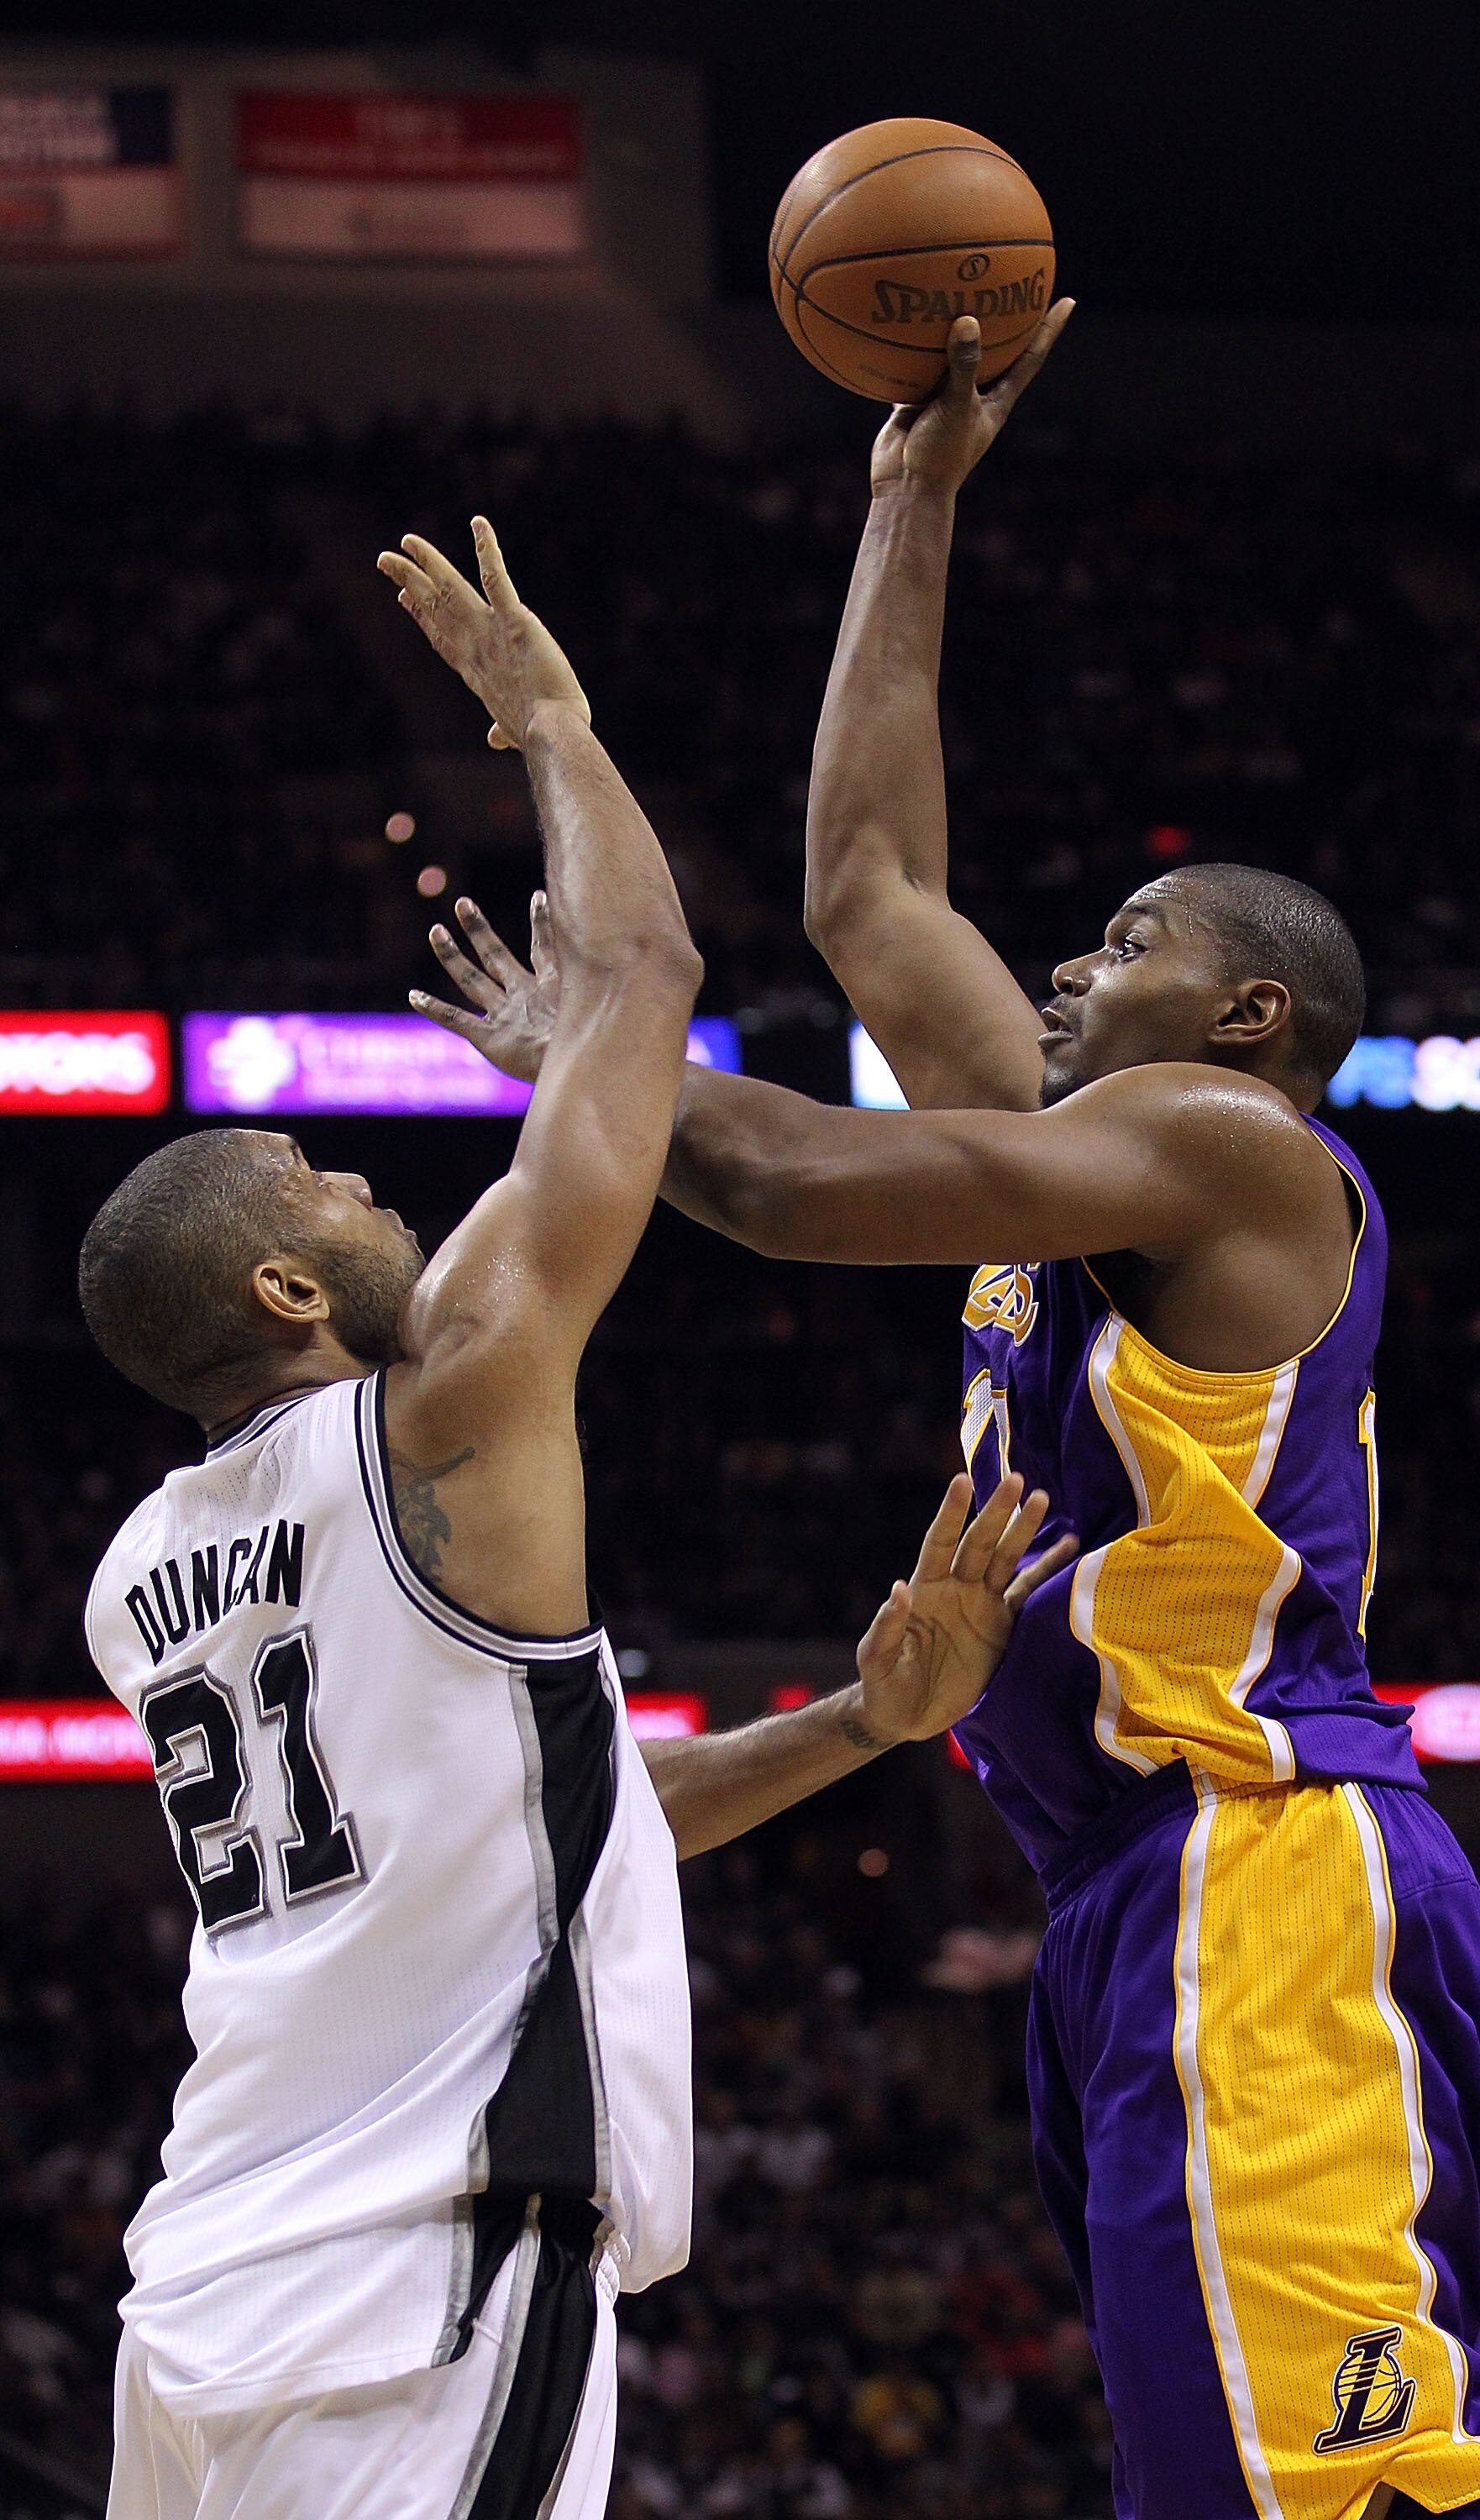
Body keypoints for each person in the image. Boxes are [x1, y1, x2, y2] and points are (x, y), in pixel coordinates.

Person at [422, 323, 1480, 2520]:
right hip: (1116, 1893)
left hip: (1250, 1843)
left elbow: (763, 1177)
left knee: (1364, 2487)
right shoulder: (1096, 1158)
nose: (1068, 962)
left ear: (1248, 1019)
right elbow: (867, 893)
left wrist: (595, 1043)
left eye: (1127, 938)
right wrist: (911, 493)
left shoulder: (1222, 1151)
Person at [80, 517, 1073, 2520]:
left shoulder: (136, 1582)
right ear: (285, 1294)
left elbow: (550, 1812)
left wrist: (864, 1733)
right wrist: (543, 713)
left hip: (200, 2302)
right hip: (415, 2282)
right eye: (324, 1190)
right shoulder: (441, 1407)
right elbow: (642, 971)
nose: (369, 1194)